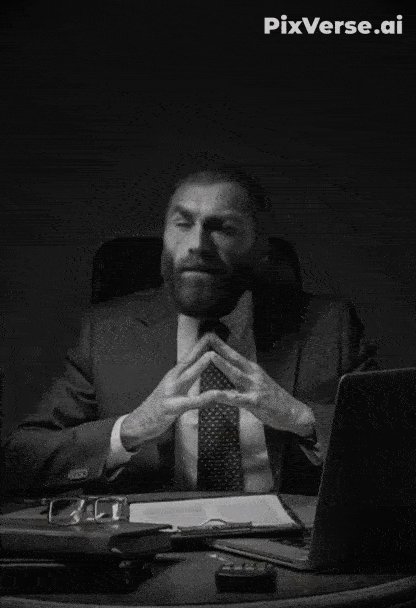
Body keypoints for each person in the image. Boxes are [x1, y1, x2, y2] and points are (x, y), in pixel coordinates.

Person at [3, 167, 375, 497]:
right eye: (183, 224)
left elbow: (392, 451)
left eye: (223, 228)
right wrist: (129, 429)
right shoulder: (106, 334)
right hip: (153, 543)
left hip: (284, 539)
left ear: (261, 249)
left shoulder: (329, 326)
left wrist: (301, 418)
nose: (197, 245)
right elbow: (19, 459)